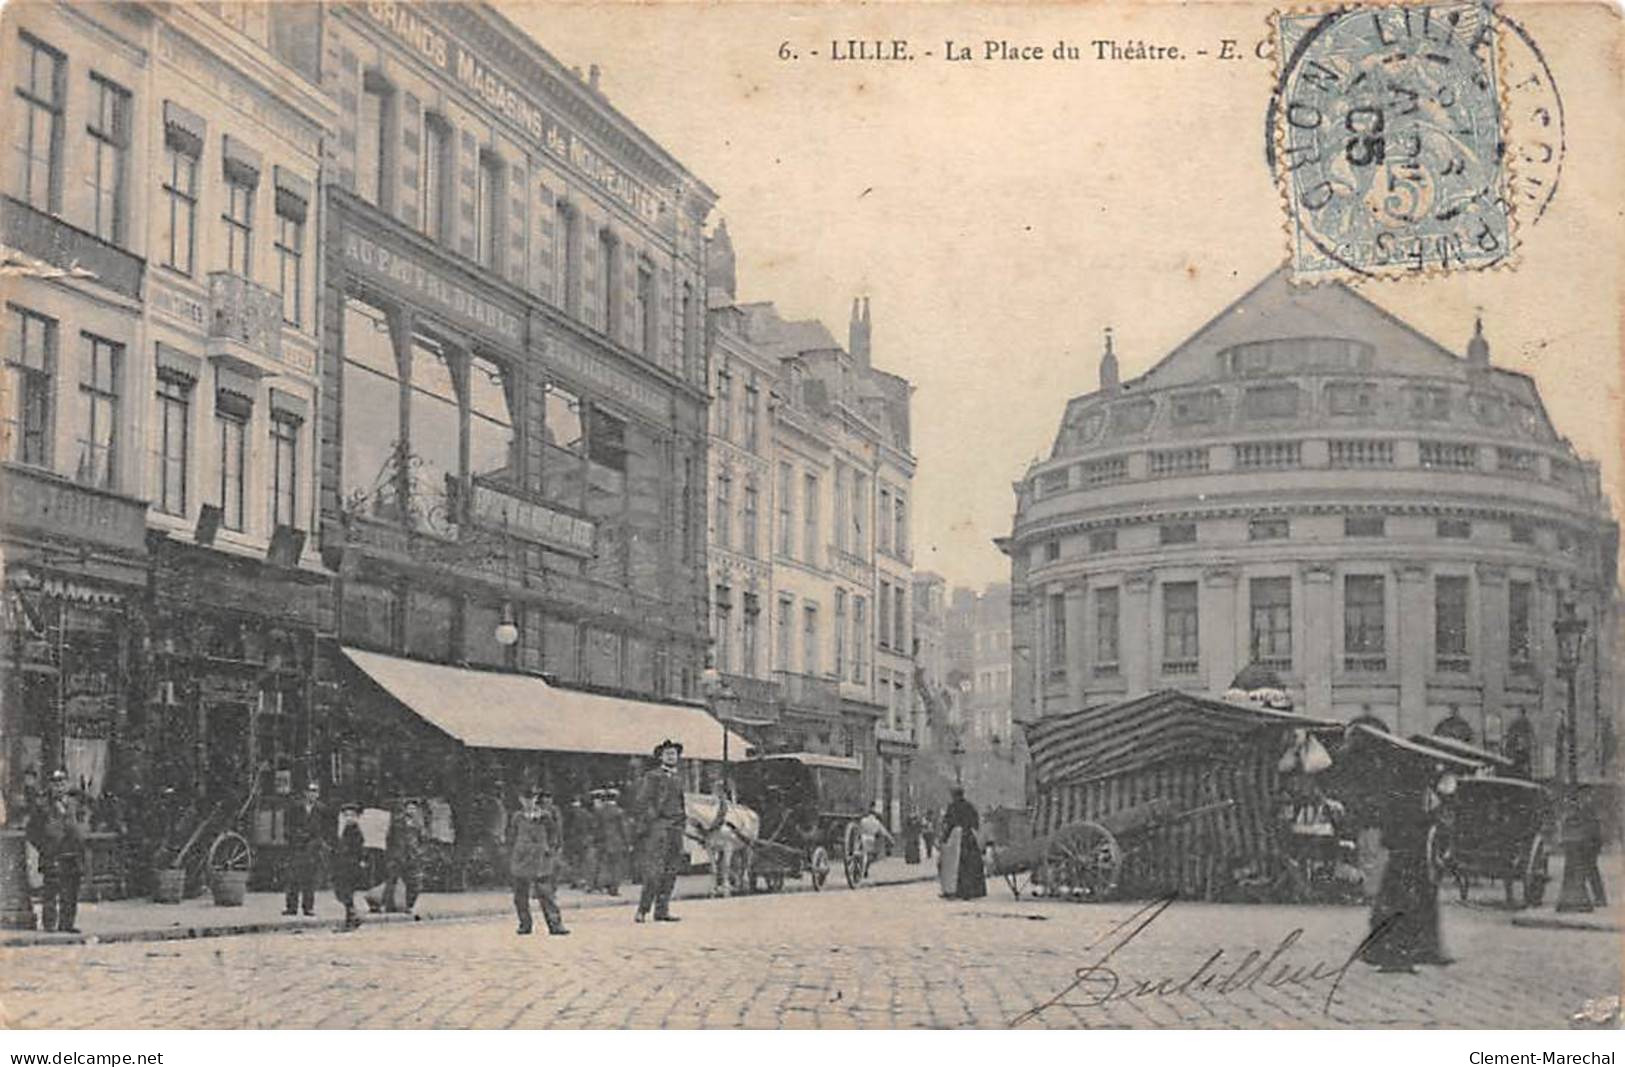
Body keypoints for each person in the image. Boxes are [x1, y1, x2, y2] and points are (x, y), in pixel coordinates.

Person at [1359, 772, 1451, 973]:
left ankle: (1416, 948)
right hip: (1406, 842)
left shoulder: (1410, 783)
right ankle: (1394, 953)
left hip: (1409, 842)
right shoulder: (1404, 784)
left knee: (1414, 893)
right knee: (1402, 897)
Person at [633, 738, 687, 923]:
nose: (672, 757)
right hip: (659, 827)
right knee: (654, 872)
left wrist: (682, 823)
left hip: (676, 827)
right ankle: (642, 910)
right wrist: (654, 821)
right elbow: (642, 801)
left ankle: (662, 911)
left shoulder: (679, 778)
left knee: (671, 871)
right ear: (660, 757)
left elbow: (681, 802)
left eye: (674, 753)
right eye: (668, 754)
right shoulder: (652, 776)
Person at [28, 770, 84, 933]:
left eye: (62, 783)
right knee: (51, 890)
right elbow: (32, 831)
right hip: (53, 853)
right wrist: (44, 847)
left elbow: (82, 822)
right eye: (55, 783)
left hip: (73, 853)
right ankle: (50, 925)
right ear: (50, 786)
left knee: (71, 891)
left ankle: (67, 924)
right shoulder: (42, 806)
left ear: (67, 784)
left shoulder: (74, 803)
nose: (59, 787)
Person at [508, 786, 568, 935]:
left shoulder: (545, 816)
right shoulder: (517, 817)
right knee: (520, 894)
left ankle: (555, 924)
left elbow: (554, 834)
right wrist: (515, 852)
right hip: (521, 858)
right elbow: (511, 835)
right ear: (520, 800)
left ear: (536, 799)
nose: (528, 802)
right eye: (525, 799)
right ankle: (524, 924)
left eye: (532, 798)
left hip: (540, 858)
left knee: (546, 893)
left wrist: (550, 849)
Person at [283, 781, 328, 916]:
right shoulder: (295, 808)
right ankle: (292, 907)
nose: (312, 794)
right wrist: (294, 838)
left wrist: (318, 842)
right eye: (310, 791)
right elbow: (287, 826)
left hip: (313, 848)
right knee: (293, 878)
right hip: (297, 846)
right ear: (305, 793)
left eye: (315, 792)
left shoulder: (321, 809)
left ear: (318, 794)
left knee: (310, 879)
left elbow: (325, 829)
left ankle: (308, 907)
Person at [941, 787, 987, 900]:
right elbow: (975, 823)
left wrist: (944, 838)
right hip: (968, 838)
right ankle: (972, 890)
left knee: (954, 866)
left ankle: (955, 890)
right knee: (970, 865)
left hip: (956, 838)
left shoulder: (952, 807)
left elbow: (949, 823)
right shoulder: (970, 806)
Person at [385, 798, 426, 918]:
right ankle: (389, 906)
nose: (411, 810)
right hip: (397, 856)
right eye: (409, 808)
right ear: (405, 809)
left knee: (414, 883)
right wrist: (391, 854)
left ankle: (409, 905)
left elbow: (423, 840)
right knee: (392, 881)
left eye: (414, 808)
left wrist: (419, 852)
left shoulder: (419, 824)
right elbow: (389, 839)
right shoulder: (397, 822)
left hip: (413, 857)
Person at [333, 802, 367, 931]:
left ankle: (351, 920)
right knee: (344, 894)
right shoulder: (346, 830)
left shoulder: (355, 831)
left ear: (357, 817)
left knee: (347, 893)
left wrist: (360, 861)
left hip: (351, 866)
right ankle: (353, 918)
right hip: (344, 865)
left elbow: (360, 849)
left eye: (352, 815)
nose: (349, 818)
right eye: (346, 815)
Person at [593, 788, 629, 895]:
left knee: (603, 864)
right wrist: (627, 842)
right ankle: (614, 888)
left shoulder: (600, 811)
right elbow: (623, 828)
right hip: (615, 840)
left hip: (602, 840)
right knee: (616, 865)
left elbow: (596, 826)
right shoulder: (618, 811)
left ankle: (600, 885)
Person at [857, 806, 895, 879]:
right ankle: (865, 869)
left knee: (862, 854)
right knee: (871, 856)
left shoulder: (863, 820)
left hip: (862, 839)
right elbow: (884, 833)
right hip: (871, 840)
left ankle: (861, 869)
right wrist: (891, 840)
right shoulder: (877, 823)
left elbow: (858, 830)